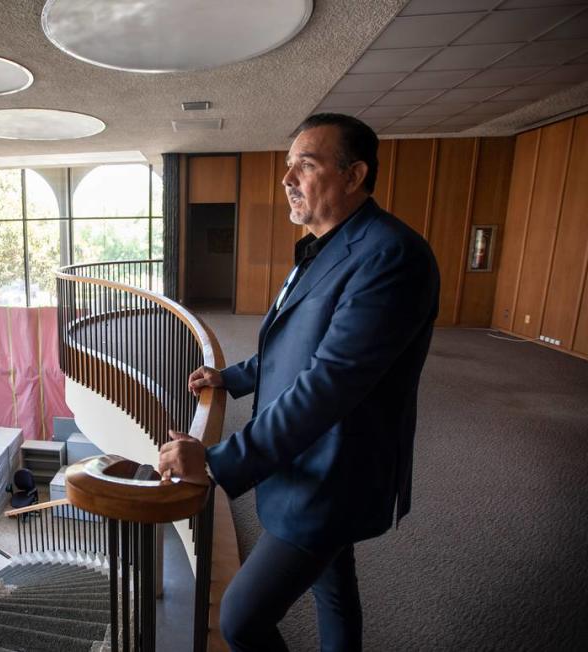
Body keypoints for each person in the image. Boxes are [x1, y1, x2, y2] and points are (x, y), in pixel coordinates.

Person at [159, 113, 440, 651]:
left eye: (305, 166)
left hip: (333, 472)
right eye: (288, 167)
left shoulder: (390, 255)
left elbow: (330, 381)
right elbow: (294, 346)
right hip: (304, 463)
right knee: (333, 587)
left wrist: (217, 461)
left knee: (240, 620)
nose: (287, 179)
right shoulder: (324, 247)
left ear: (354, 175)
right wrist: (232, 376)